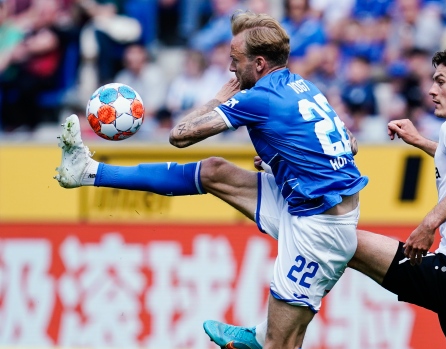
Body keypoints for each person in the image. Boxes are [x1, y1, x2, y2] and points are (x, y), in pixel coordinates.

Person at [54, 10, 367, 349]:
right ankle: (87, 171)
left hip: (317, 229)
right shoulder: (303, 86)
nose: (231, 68)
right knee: (214, 171)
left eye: (235, 60)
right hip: (306, 203)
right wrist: (282, 163)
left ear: (259, 63)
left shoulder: (258, 98)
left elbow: (180, 135)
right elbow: (348, 143)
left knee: (281, 344)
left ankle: (260, 339)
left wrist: (220, 98)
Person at [204, 46, 446, 349]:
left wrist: (428, 225)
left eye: (441, 81)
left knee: (341, 242)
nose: (432, 90)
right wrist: (421, 142)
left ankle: (268, 335)